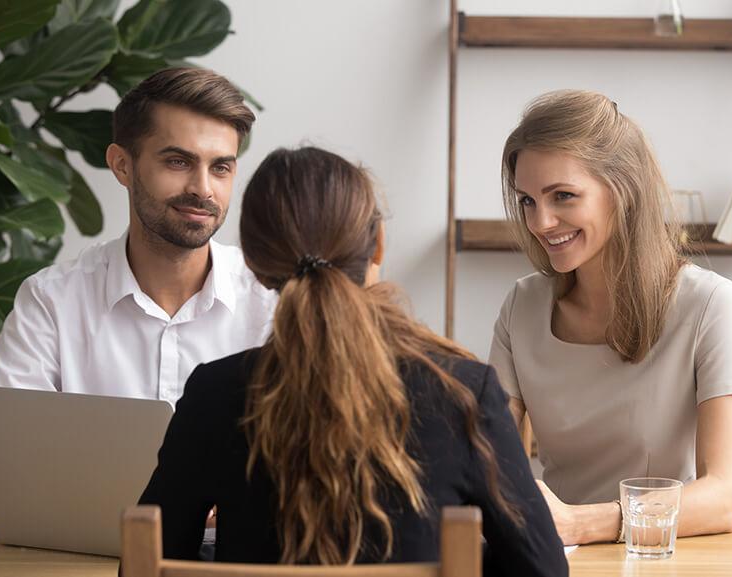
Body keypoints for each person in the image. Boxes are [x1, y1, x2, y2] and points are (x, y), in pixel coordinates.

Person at [138, 147, 568, 576]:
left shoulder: (213, 394)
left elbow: (147, 564)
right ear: (378, 244)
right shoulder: (461, 391)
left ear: (252, 261)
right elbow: (543, 569)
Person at [0, 68, 276, 519]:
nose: (203, 188)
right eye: (178, 161)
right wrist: (167, 505)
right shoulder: (52, 302)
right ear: (122, 164)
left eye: (221, 167)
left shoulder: (273, 300)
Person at [489, 90, 732, 546]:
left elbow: (726, 497)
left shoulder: (711, 304)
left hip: (661, 559)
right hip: (556, 559)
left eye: (563, 196)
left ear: (624, 190)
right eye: (528, 201)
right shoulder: (522, 306)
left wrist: (581, 525)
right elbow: (487, 461)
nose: (540, 222)